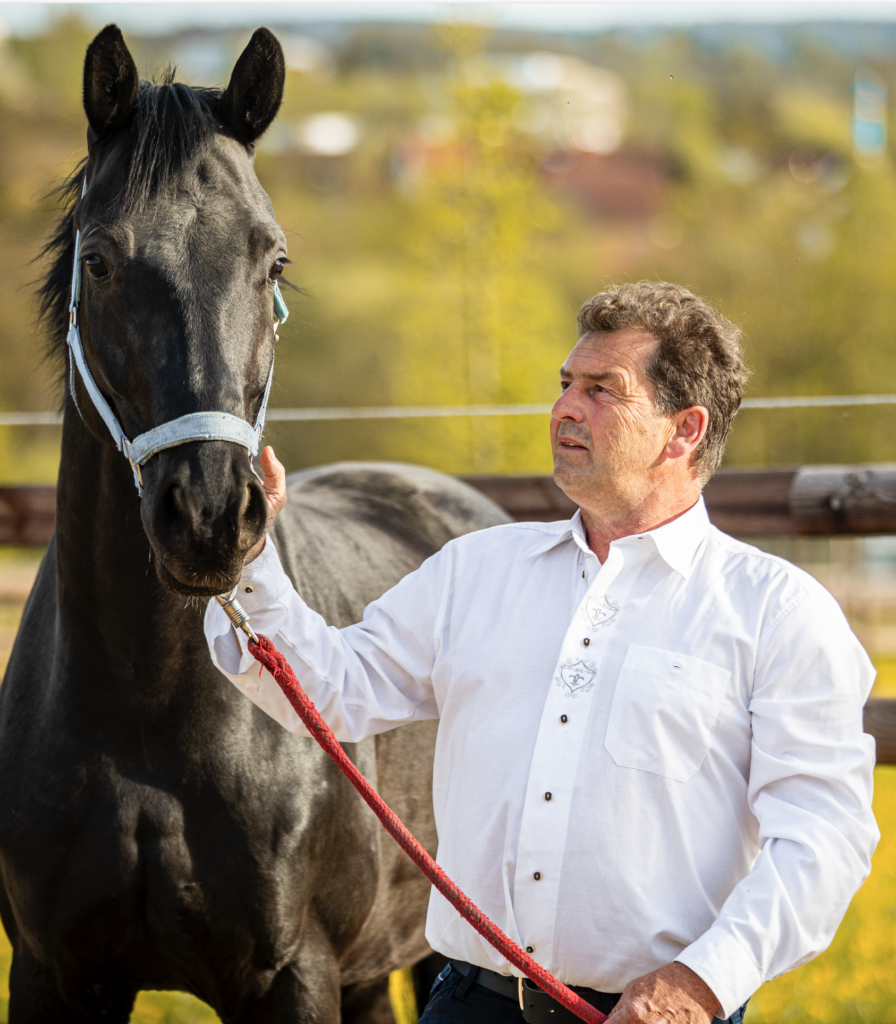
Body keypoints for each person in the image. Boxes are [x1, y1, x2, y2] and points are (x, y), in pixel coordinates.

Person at [204, 281, 879, 1024]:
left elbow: (823, 838)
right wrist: (247, 559)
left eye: (601, 390)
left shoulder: (780, 613)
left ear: (684, 430)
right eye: (566, 385)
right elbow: (333, 689)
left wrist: (700, 983)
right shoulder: (476, 571)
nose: (565, 408)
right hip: (468, 1004)